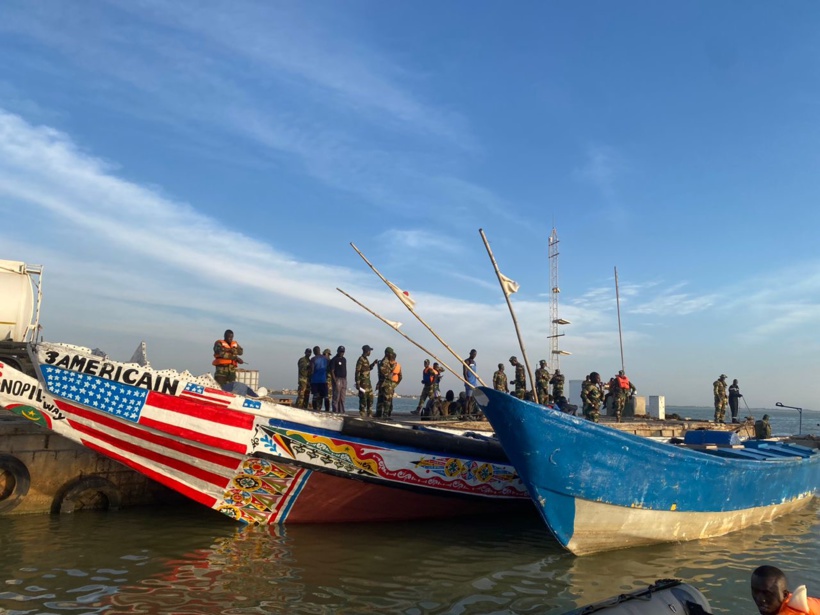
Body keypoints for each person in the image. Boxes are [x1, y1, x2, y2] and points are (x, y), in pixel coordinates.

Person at [751, 565, 820, 615]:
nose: (760, 599)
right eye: (755, 591)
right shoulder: (791, 601)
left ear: (785, 595)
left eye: (768, 594)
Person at [376, 347, 401, 418]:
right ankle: (385, 415)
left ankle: (379, 414)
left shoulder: (384, 361)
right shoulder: (385, 362)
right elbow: (385, 373)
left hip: (383, 383)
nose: (391, 355)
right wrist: (393, 367)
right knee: (387, 399)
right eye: (390, 353)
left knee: (381, 399)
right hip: (386, 383)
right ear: (387, 353)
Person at [355, 345, 377, 418]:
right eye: (369, 351)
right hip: (363, 384)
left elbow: (367, 369)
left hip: (368, 383)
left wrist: (373, 364)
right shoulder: (360, 359)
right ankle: (362, 414)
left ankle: (369, 414)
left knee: (370, 399)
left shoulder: (366, 360)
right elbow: (357, 371)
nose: (370, 352)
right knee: (363, 400)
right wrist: (358, 383)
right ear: (367, 351)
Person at [309, 346, 329, 412]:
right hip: (323, 380)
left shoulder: (313, 359)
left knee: (315, 396)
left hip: (315, 381)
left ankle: (315, 410)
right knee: (326, 396)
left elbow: (312, 370)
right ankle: (327, 411)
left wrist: (310, 378)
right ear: (319, 351)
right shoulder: (326, 359)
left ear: (314, 351)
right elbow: (328, 368)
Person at [329, 346, 347, 414]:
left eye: (343, 352)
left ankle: (341, 411)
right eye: (340, 351)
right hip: (337, 378)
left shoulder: (344, 359)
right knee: (336, 396)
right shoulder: (334, 359)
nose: (342, 353)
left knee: (342, 397)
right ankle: (335, 411)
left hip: (344, 379)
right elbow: (332, 371)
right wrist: (334, 380)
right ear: (338, 351)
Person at [463, 349, 478, 414]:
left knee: (472, 399)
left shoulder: (474, 362)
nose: (474, 356)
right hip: (469, 382)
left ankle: (469, 413)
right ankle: (466, 414)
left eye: (475, 354)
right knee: (468, 398)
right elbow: (464, 373)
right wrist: (467, 381)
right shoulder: (467, 361)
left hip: (474, 382)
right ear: (470, 353)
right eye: (473, 354)